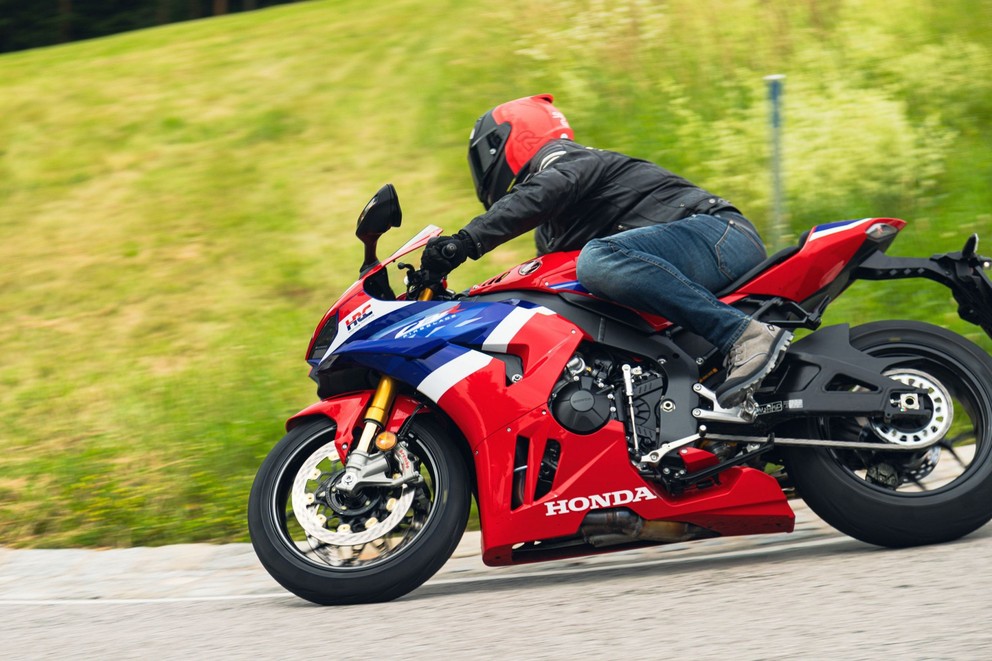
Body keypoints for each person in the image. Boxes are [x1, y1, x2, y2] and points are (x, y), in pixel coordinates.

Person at [421, 94, 792, 408]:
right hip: (687, 258)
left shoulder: (564, 160)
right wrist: (466, 301)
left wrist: (466, 241)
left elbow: (545, 192)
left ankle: (744, 336)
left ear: (503, 143)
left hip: (719, 234)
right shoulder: (551, 229)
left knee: (596, 262)